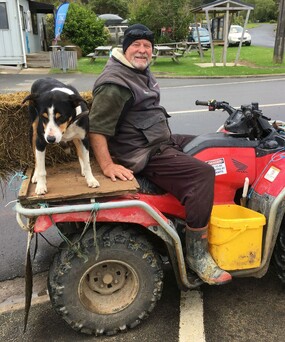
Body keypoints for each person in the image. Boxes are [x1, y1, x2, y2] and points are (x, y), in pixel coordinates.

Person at [89, 23, 232, 285]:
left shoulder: (136, 71)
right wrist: (108, 165)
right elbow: (96, 129)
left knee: (211, 143)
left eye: (147, 46)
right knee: (203, 174)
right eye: (136, 45)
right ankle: (196, 255)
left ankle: (192, 212)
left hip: (156, 139)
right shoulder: (115, 83)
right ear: (125, 48)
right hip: (140, 152)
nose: (143, 51)